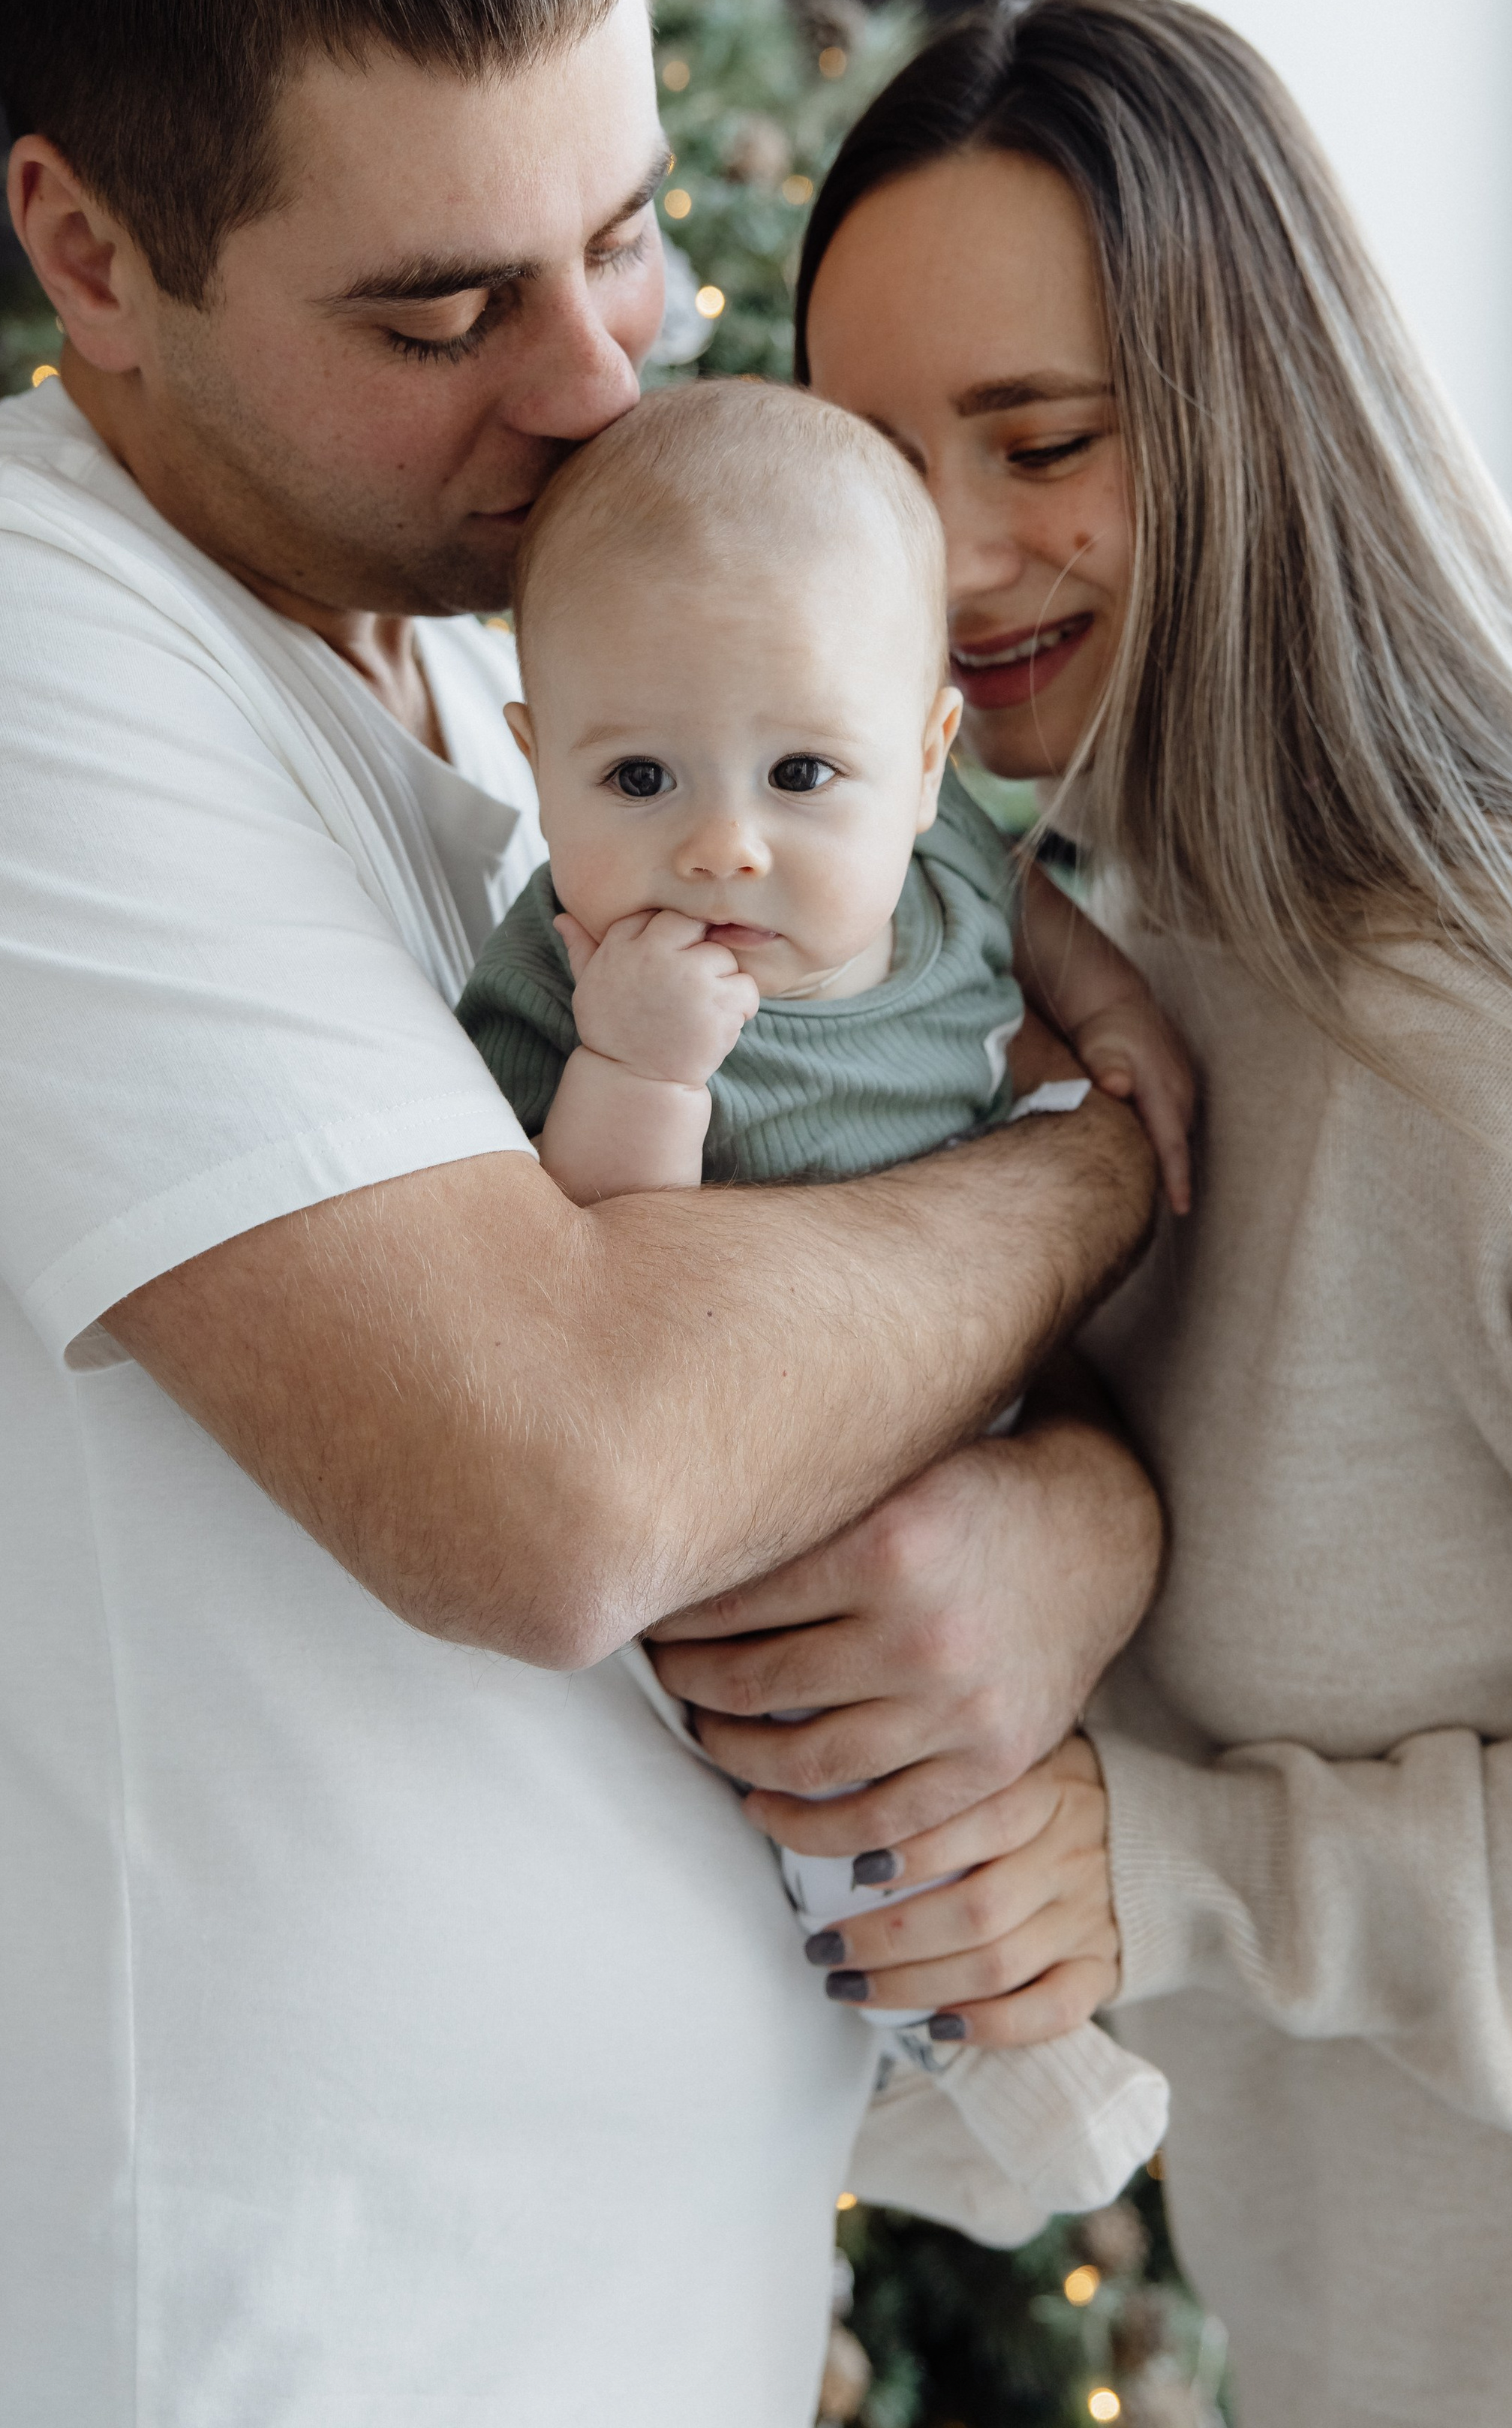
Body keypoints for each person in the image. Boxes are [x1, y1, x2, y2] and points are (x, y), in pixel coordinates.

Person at [0, 0, 1165, 2428]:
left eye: (630, 231)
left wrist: (1070, 1542)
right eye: (440, 310)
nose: (595, 390)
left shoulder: (501, 653)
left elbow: (749, 1321)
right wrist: (1093, 1174)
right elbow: (554, 1488)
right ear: (88, 252)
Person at [786, 0, 1512, 2428]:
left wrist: (1200, 1868)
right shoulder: (1076, 966)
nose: (958, 556)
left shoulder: (1502, 1045)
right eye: (875, 467)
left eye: (1044, 440)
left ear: (1243, 417)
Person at [459, 375, 1186, 2231]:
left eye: (800, 777)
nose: (723, 848)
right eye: (638, 780)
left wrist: (1104, 1022)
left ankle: (954, 2043)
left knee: (995, 1752)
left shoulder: (935, 856)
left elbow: (1025, 908)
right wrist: (641, 1069)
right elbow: (593, 1284)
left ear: (926, 753)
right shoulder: (575, 980)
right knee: (840, 1783)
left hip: (980, 1422)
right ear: (539, 760)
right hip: (769, 1490)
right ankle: (984, 2078)